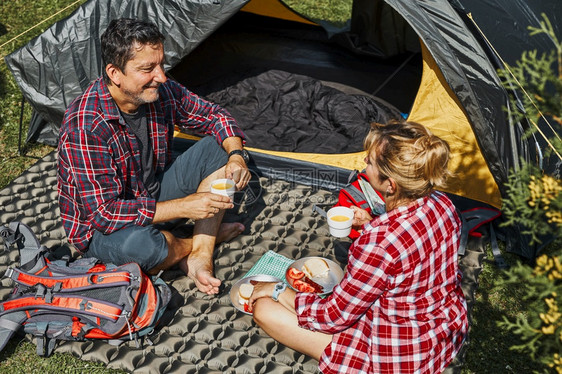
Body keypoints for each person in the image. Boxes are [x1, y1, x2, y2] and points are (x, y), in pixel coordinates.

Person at [248, 121, 469, 373]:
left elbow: (333, 317)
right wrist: (371, 223)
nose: (364, 161)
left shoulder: (379, 243)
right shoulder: (443, 204)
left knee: (264, 310)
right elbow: (410, 246)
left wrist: (277, 290)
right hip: (442, 329)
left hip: (399, 353)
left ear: (391, 185)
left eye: (371, 162)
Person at [57, 18, 251, 296]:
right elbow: (105, 214)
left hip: (151, 193)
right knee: (142, 248)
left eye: (160, 64)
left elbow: (214, 116)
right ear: (115, 73)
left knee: (218, 147)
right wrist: (186, 207)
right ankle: (202, 239)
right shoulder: (86, 126)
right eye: (147, 68)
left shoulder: (160, 90)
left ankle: (198, 257)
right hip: (103, 232)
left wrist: (236, 156)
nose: (160, 76)